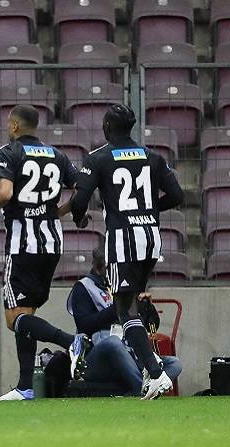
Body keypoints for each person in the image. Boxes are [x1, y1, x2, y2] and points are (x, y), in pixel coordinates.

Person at [0, 105, 89, 401]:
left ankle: (71, 342)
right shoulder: (58, 156)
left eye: (9, 124)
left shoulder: (8, 153)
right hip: (52, 243)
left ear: (16, 126)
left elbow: (5, 193)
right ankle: (25, 386)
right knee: (26, 314)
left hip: (23, 244)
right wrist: (61, 211)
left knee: (12, 318)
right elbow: (82, 189)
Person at [70, 104, 184, 399]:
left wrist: (79, 218)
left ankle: (156, 373)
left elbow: (79, 199)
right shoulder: (153, 156)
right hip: (150, 238)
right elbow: (177, 195)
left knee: (124, 308)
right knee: (132, 301)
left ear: (107, 127)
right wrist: (148, 211)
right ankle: (150, 364)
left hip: (123, 240)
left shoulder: (99, 158)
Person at [67, 246, 182, 395]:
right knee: (113, 342)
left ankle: (137, 390)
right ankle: (142, 389)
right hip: (98, 357)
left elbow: (152, 326)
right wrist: (118, 308)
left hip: (130, 353)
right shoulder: (83, 287)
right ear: (101, 266)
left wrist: (146, 307)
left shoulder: (126, 285)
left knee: (174, 363)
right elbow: (84, 324)